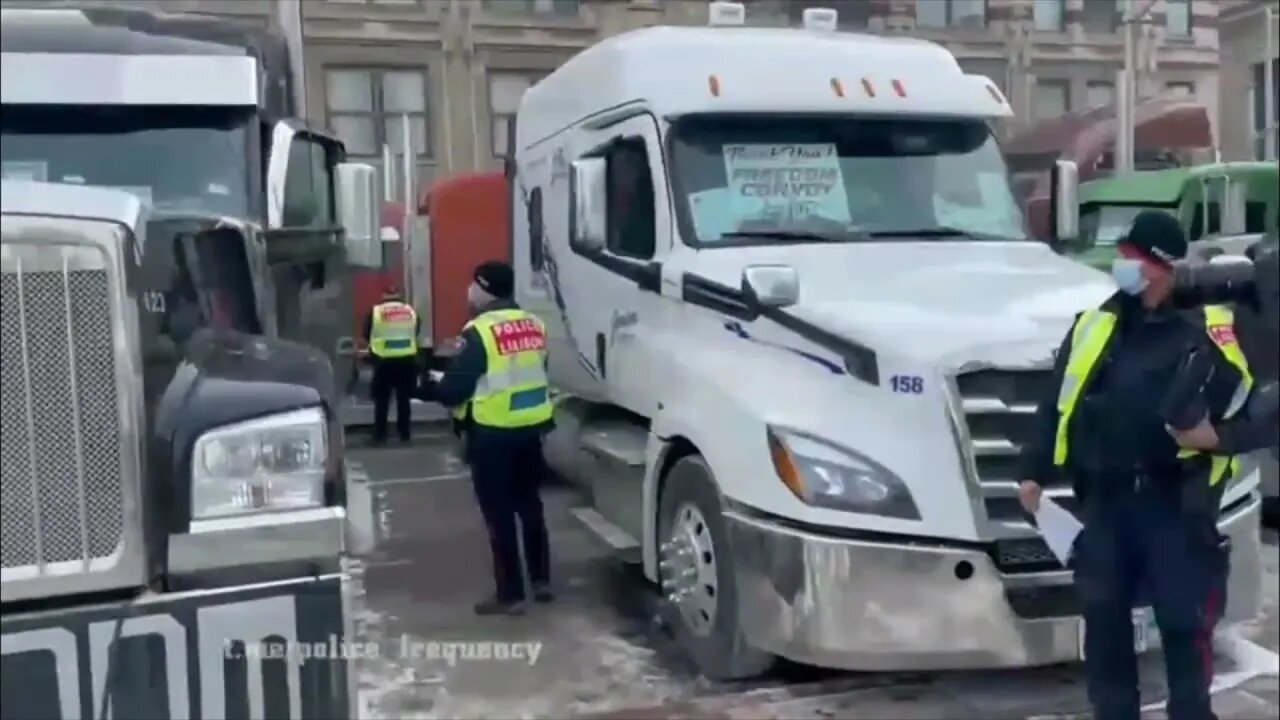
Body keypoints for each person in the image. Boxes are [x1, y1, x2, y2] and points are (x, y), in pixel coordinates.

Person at [1017, 211, 1254, 720]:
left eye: (1134, 257)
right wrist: (1033, 469)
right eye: (1123, 254)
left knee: (1182, 626)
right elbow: (1057, 400)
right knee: (1104, 624)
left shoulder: (1211, 330)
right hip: (1106, 503)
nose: (1123, 265)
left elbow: (1257, 412)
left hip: (1175, 504)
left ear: (1162, 267)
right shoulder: (1096, 323)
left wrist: (1218, 437)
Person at [418, 261, 554, 615]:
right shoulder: (534, 324)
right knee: (530, 506)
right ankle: (541, 580)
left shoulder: (479, 331)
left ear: (484, 289)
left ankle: (511, 593)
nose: (468, 292)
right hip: (532, 428)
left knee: (499, 514)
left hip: (493, 434)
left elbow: (455, 389)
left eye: (472, 285)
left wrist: (431, 387)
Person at [362, 285, 420, 445]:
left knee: (382, 400)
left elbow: (366, 333)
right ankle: (405, 434)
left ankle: (380, 435)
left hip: (383, 360)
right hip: (407, 359)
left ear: (384, 296)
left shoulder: (376, 312)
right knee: (404, 399)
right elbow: (416, 331)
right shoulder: (410, 311)